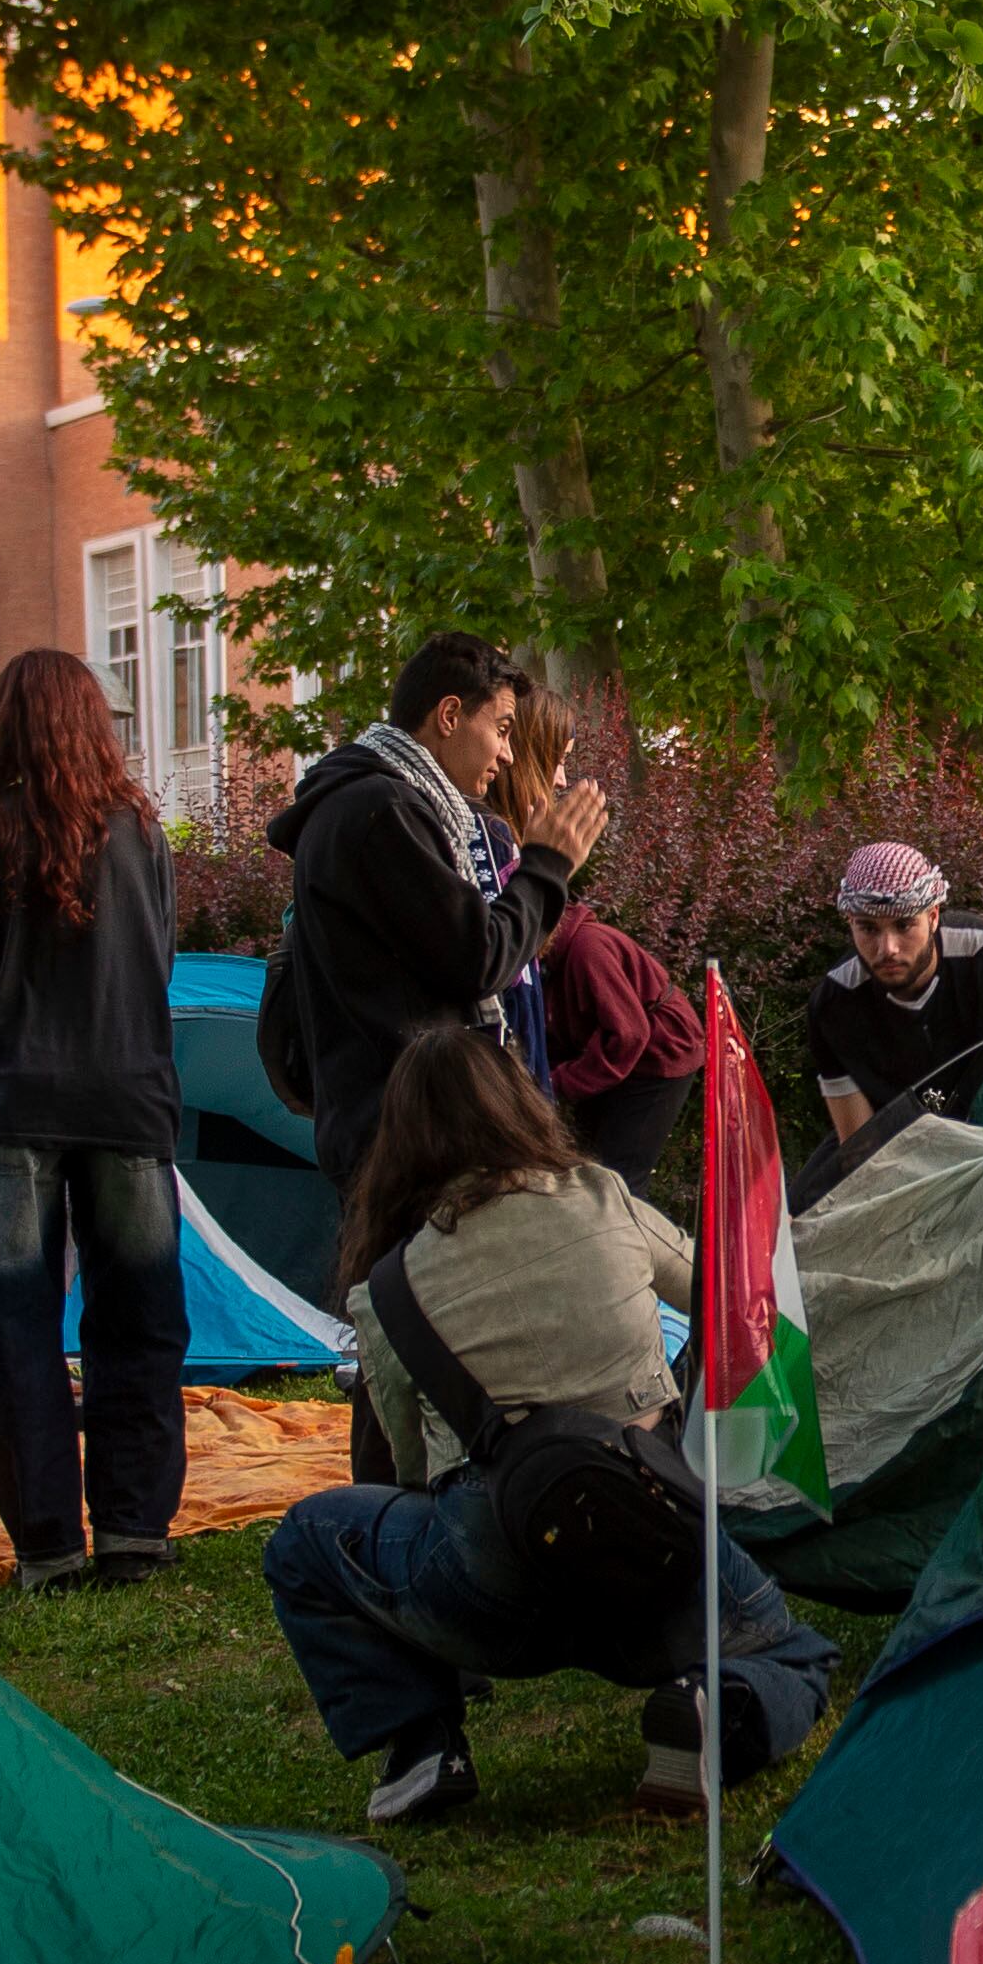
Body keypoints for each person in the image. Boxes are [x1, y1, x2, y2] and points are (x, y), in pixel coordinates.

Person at [258, 1033, 838, 1827]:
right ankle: (714, 1703)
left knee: (303, 1540)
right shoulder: (601, 1196)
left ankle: (421, 1746)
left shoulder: (386, 1288)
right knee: (795, 1653)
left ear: (396, 1141)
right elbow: (722, 1288)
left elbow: (408, 1469)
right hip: (654, 1549)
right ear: (521, 1102)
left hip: (492, 1584)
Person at [267, 631, 610, 1479]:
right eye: (498, 727)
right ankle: (395, 1520)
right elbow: (475, 957)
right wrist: (546, 867)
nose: (504, 753)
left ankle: (413, 1509)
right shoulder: (379, 811)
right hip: (406, 1129)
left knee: (411, 1329)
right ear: (448, 715)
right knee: (409, 1334)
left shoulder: (386, 805)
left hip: (391, 1117)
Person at [0, 645, 190, 1595]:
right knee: (141, 1321)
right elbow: (158, 963)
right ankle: (134, 1531)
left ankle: (46, 1548)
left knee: (15, 1330)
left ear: (3, 722)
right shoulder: (142, 830)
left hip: (14, 1098)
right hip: (130, 1096)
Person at [807, 844, 983, 1137]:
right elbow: (859, 1147)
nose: (887, 949)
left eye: (904, 925)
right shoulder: (833, 1003)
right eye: (868, 929)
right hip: (896, 1152)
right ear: (851, 925)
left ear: (932, 917)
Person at [540, 911, 706, 1196]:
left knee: (619, 1180)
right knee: (584, 1168)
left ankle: (634, 1238)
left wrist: (554, 1083)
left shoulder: (587, 949)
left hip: (660, 1057)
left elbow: (629, 1034)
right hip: (610, 1055)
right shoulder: (546, 961)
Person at [480, 686, 577, 1091]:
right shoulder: (492, 840)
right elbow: (504, 976)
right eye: (558, 761)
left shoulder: (509, 841)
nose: (562, 779)